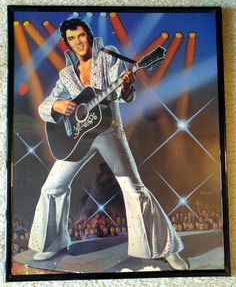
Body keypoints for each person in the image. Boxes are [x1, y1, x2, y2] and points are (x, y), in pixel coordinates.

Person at [28, 18, 188, 270]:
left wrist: (124, 88)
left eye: (81, 35)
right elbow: (43, 106)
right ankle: (52, 245)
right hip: (78, 137)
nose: (78, 41)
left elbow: (123, 94)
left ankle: (165, 249)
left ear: (89, 35)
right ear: (66, 43)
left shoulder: (108, 56)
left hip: (108, 131)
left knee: (134, 189)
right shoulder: (66, 74)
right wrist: (56, 105)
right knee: (51, 187)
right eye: (72, 38)